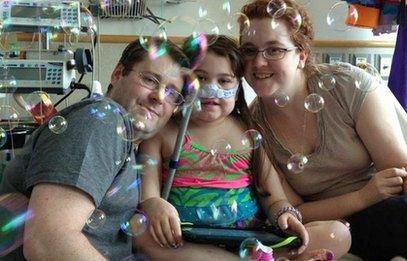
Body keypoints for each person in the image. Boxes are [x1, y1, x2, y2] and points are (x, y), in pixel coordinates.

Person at [238, 0, 407, 260]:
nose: (258, 62)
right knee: (401, 217)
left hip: (398, 200)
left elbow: (402, 167)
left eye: (274, 50)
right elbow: (294, 212)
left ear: (301, 55)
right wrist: (364, 196)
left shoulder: (348, 86)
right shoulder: (252, 128)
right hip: (347, 224)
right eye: (249, 51)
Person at [133, 35, 351, 261]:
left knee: (339, 234)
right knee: (142, 237)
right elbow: (148, 198)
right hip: (187, 239)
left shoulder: (248, 130)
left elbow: (273, 197)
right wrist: (154, 205)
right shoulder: (162, 133)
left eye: (224, 81)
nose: (211, 89)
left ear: (237, 88)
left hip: (250, 239)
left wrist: (284, 215)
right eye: (200, 78)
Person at [0, 38, 187, 260]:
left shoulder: (125, 140)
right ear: (118, 74)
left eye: (172, 94)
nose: (159, 97)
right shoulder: (103, 121)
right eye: (149, 79)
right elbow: (48, 243)